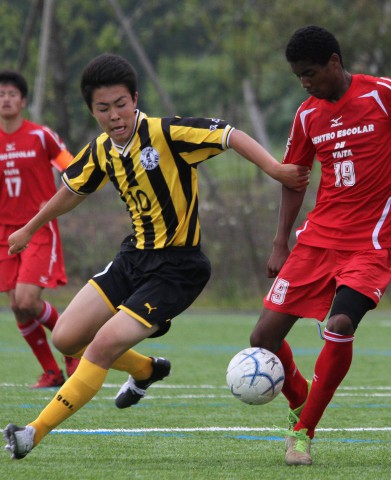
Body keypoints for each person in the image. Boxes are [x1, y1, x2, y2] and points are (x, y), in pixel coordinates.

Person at [2, 53, 309, 460]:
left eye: (121, 104)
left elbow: (229, 134)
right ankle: (147, 370)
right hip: (133, 258)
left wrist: (275, 169)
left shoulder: (167, 132)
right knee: (67, 338)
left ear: (135, 99)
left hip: (178, 268)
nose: (114, 115)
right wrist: (30, 228)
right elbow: (71, 191)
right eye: (103, 108)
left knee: (100, 348)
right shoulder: (100, 150)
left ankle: (31, 433)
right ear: (92, 110)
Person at [248, 25, 391, 466]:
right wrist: (280, 241)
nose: (306, 82)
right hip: (316, 240)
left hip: (370, 244)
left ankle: (303, 432)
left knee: (339, 324)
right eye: (299, 75)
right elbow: (294, 179)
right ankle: (302, 401)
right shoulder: (307, 115)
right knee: (262, 338)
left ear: (335, 63)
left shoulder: (384, 94)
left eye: (311, 73)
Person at [0, 70, 80, 388]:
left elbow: (71, 166)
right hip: (3, 233)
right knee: (17, 306)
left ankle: (72, 348)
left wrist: (73, 176)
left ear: (23, 101)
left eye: (11, 94)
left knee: (28, 300)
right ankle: (51, 371)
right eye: (1, 94)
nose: (5, 99)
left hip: (37, 228)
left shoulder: (40, 136)